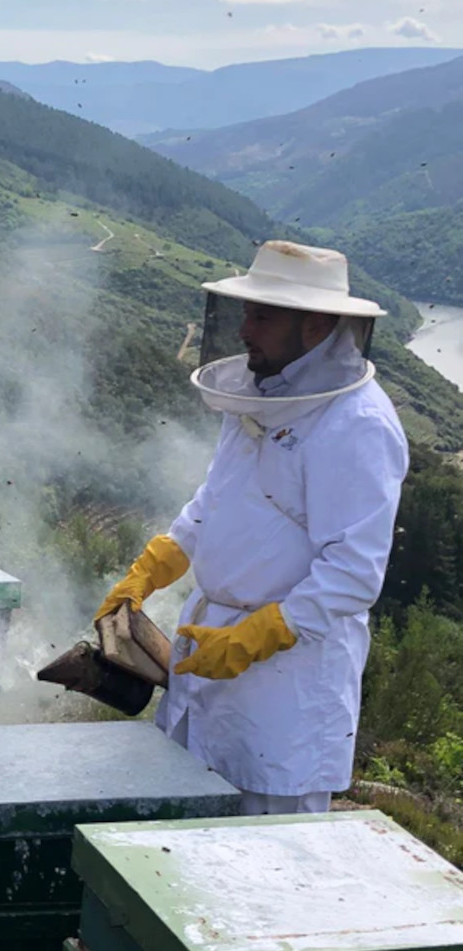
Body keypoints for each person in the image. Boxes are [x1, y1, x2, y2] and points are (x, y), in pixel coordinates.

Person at [96, 240, 409, 815]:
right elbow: (216, 499)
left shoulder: (357, 424)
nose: (244, 330)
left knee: (264, 848)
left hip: (287, 683)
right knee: (182, 834)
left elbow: (354, 572)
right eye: (245, 313)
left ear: (315, 324)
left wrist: (262, 633)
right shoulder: (257, 393)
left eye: (261, 317)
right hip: (209, 645)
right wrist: (157, 562)